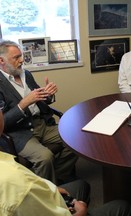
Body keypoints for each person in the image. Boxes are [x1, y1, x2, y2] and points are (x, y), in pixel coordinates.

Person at [0, 111, 131, 216]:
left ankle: (58, 178)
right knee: (122, 206)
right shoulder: (16, 183)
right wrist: (81, 211)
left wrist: (51, 187)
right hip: (22, 134)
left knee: (81, 184)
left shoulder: (7, 164)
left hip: (41, 125)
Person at [0, 39, 78, 185]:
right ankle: (48, 193)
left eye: (21, 56)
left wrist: (48, 94)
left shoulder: (26, 74)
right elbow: (3, 123)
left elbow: (40, 99)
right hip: (20, 132)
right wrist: (23, 104)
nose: (22, 60)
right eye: (16, 57)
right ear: (1, 60)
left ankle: (56, 181)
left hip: (43, 123)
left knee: (76, 141)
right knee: (45, 157)